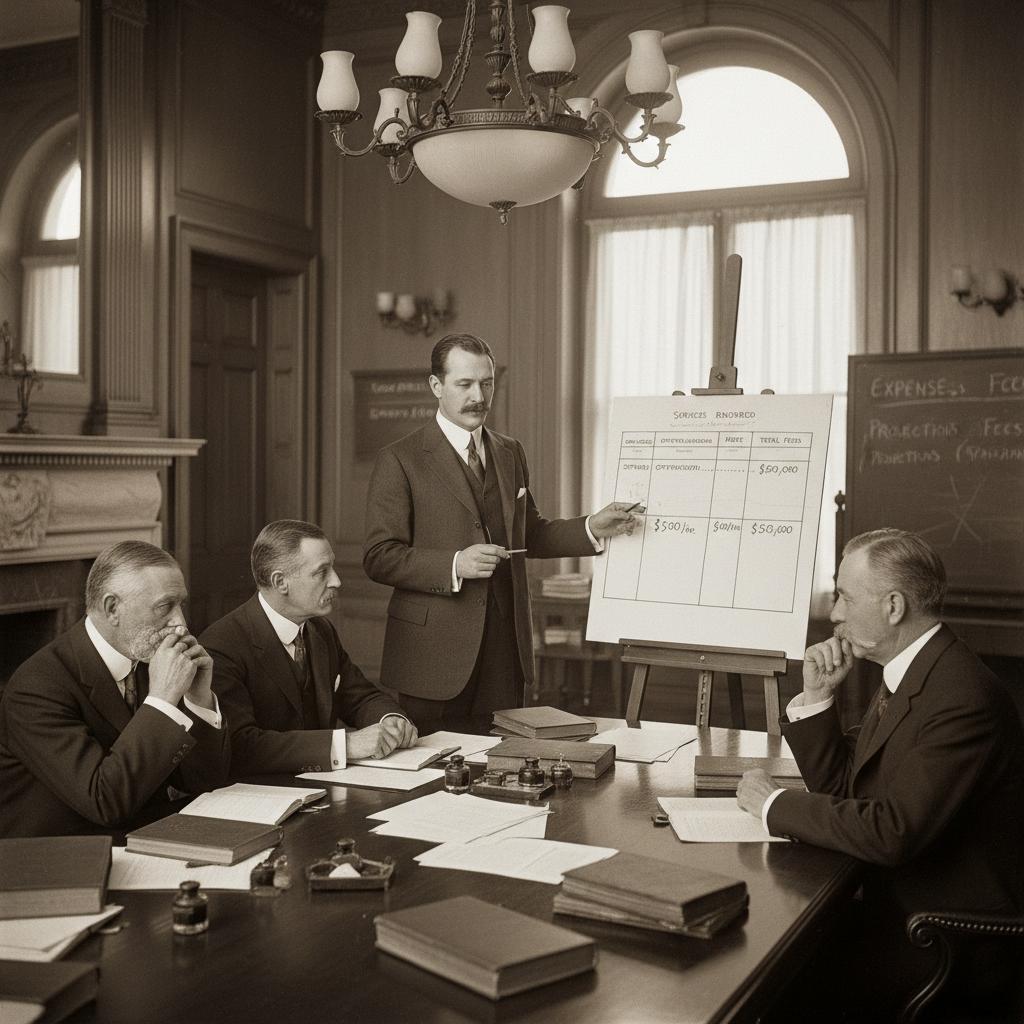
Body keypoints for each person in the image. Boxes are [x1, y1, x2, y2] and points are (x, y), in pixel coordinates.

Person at [737, 528, 1024, 1018]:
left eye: (845, 597)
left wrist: (773, 805)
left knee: (765, 981)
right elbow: (851, 789)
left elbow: (892, 832)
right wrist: (818, 697)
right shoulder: (919, 669)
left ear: (893, 606)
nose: (835, 614)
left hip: (943, 937)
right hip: (896, 906)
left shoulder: (961, 697)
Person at [363, 332, 642, 733]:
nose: (479, 396)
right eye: (464, 384)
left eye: (487, 383)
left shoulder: (510, 452)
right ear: (436, 386)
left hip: (504, 653)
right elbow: (379, 556)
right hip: (430, 659)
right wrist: (455, 564)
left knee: (502, 761)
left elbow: (531, 535)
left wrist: (590, 527)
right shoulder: (399, 459)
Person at [0, 541, 230, 838]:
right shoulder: (36, 688)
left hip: (145, 837)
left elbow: (202, 782)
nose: (181, 624)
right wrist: (162, 699)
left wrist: (198, 700)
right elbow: (104, 802)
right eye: (165, 607)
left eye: (180, 605)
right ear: (112, 609)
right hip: (66, 852)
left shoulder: (149, 658)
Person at [201, 520, 417, 778]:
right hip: (261, 791)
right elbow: (241, 745)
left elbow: (360, 696)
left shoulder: (320, 630)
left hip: (322, 784)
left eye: (332, 568)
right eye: (322, 571)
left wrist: (390, 720)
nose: (336, 581)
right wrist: (345, 745)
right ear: (280, 582)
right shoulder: (222, 645)